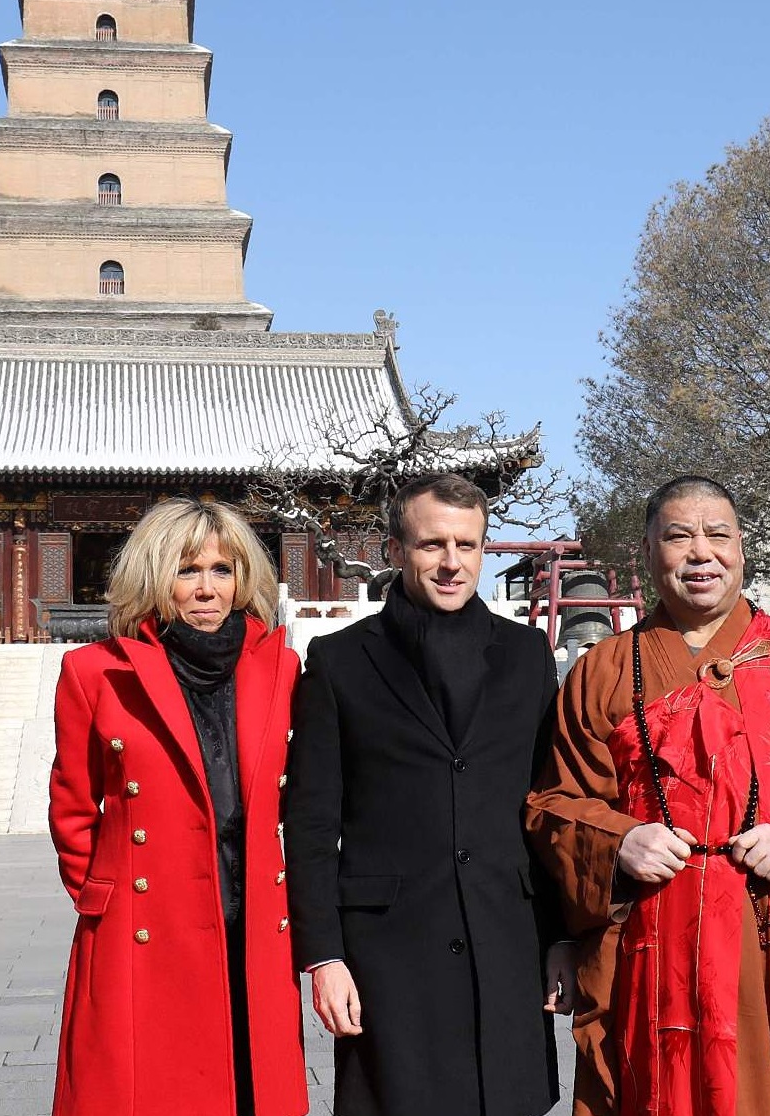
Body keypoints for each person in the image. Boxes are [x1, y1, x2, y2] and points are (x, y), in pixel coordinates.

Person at [526, 475, 770, 1116]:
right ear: (649, 550)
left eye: (718, 535)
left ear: (742, 549)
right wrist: (620, 839)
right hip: (654, 940)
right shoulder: (604, 668)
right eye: (678, 537)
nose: (700, 553)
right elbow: (555, 803)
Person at [284, 473, 565, 1116]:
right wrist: (323, 956)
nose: (451, 563)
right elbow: (309, 822)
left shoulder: (526, 655)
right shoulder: (340, 661)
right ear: (394, 551)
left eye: (467, 546)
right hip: (389, 950)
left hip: (508, 938)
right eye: (431, 544)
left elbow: (549, 805)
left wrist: (564, 938)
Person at [48, 498, 306, 1116]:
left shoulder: (282, 668)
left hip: (253, 920)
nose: (207, 589)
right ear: (154, 575)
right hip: (145, 927)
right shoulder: (95, 673)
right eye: (188, 570)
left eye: (223, 570)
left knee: (252, 1088)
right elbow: (72, 806)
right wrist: (113, 896)